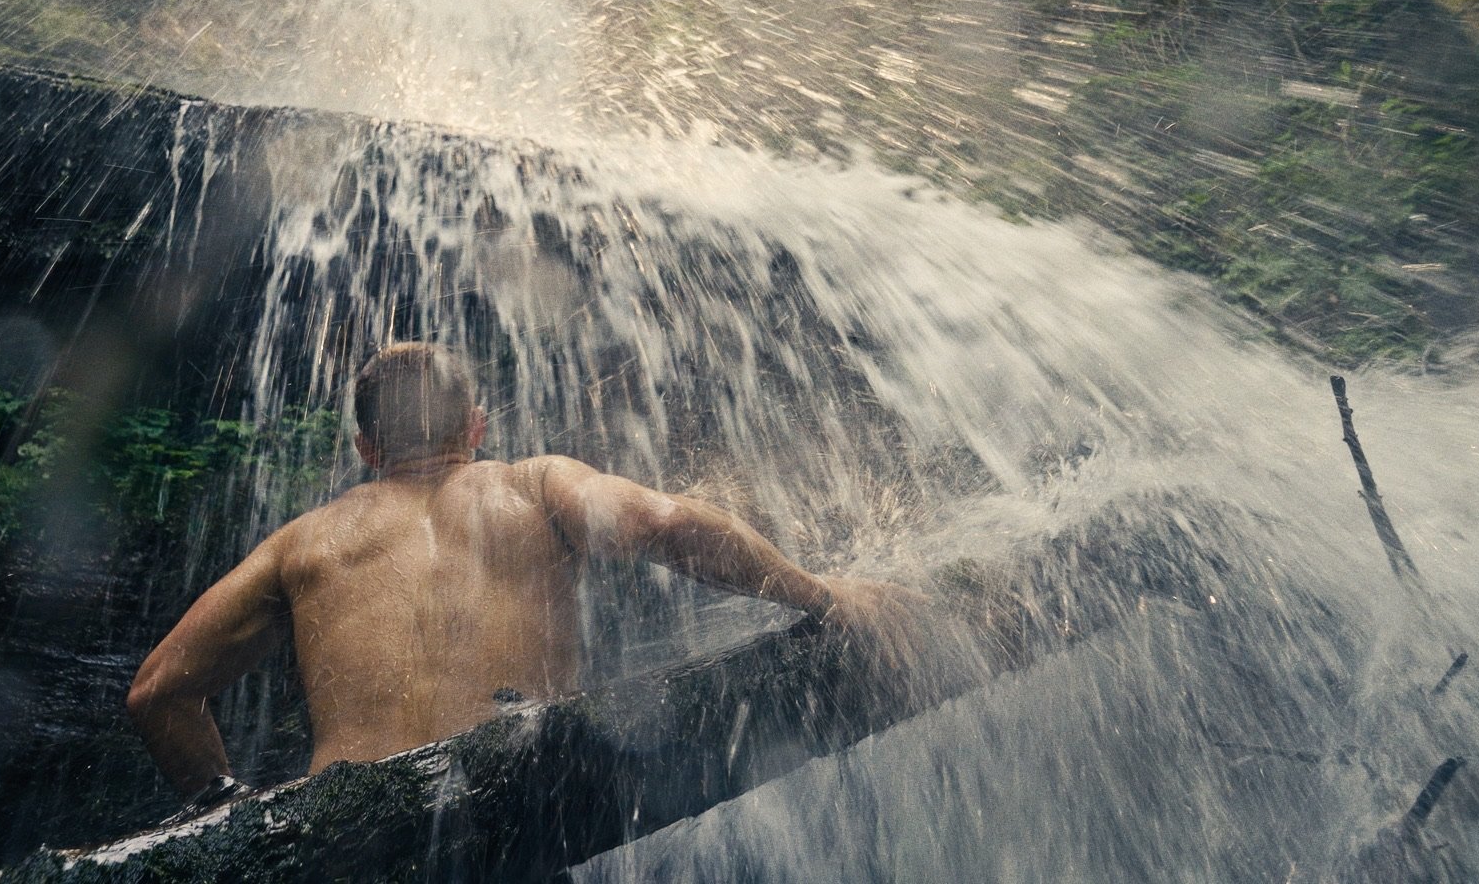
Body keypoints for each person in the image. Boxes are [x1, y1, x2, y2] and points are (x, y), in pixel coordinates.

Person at [127, 342, 926, 807]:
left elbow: (159, 691)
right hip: (498, 796)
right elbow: (661, 521)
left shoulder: (300, 543)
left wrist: (235, 816)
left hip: (347, 828)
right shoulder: (530, 484)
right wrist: (824, 595)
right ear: (476, 428)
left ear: (367, 450)